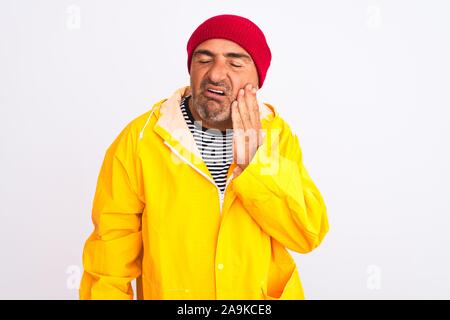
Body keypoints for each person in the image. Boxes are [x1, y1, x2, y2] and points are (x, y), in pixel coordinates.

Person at [80, 14, 329, 300]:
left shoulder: (275, 134)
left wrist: (255, 163)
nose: (215, 73)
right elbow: (108, 264)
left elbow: (307, 234)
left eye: (235, 62)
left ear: (257, 80)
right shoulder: (141, 140)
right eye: (204, 59)